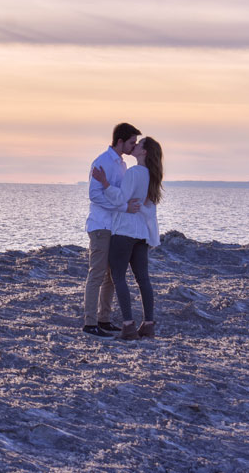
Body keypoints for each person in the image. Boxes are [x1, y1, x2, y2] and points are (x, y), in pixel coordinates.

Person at [92, 136, 163, 340]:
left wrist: (105, 183)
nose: (135, 146)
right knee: (143, 279)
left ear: (144, 152)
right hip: (141, 233)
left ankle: (128, 325)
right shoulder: (152, 175)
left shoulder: (134, 172)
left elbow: (121, 199)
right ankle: (148, 324)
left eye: (139, 144)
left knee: (119, 277)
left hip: (124, 230)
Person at [82, 123, 142, 339]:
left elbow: (119, 194)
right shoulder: (102, 162)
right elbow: (95, 196)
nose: (133, 146)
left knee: (110, 276)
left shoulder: (122, 165)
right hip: (100, 226)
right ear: (120, 141)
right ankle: (90, 323)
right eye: (131, 142)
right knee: (96, 274)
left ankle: (103, 319)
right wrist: (123, 207)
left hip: (115, 227)